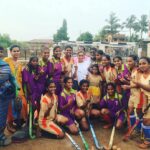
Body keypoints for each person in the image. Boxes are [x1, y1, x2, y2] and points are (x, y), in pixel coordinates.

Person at [4, 45, 27, 133]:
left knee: (23, 103)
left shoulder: (20, 64)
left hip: (18, 87)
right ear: (10, 52)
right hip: (8, 86)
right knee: (10, 105)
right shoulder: (6, 61)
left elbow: (20, 76)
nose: (16, 52)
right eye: (14, 51)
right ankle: (9, 124)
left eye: (18, 51)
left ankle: (18, 121)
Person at [0, 46, 19, 146]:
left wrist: (16, 85)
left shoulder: (5, 64)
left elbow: (11, 77)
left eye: (1, 51)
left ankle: (1, 135)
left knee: (2, 115)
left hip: (4, 94)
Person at [122, 55, 142, 139]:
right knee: (130, 111)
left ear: (135, 61)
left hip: (138, 94)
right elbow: (133, 82)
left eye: (130, 61)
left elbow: (139, 85)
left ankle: (138, 130)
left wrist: (128, 87)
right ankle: (133, 128)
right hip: (132, 94)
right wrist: (128, 80)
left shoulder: (138, 70)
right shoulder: (132, 70)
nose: (128, 63)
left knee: (138, 112)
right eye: (127, 61)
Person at [131, 57, 150, 149]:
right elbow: (143, 92)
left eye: (144, 63)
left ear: (149, 64)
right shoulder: (141, 76)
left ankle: (147, 141)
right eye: (140, 64)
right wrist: (144, 104)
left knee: (147, 121)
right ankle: (147, 139)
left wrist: (138, 83)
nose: (141, 65)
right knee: (146, 120)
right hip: (147, 99)